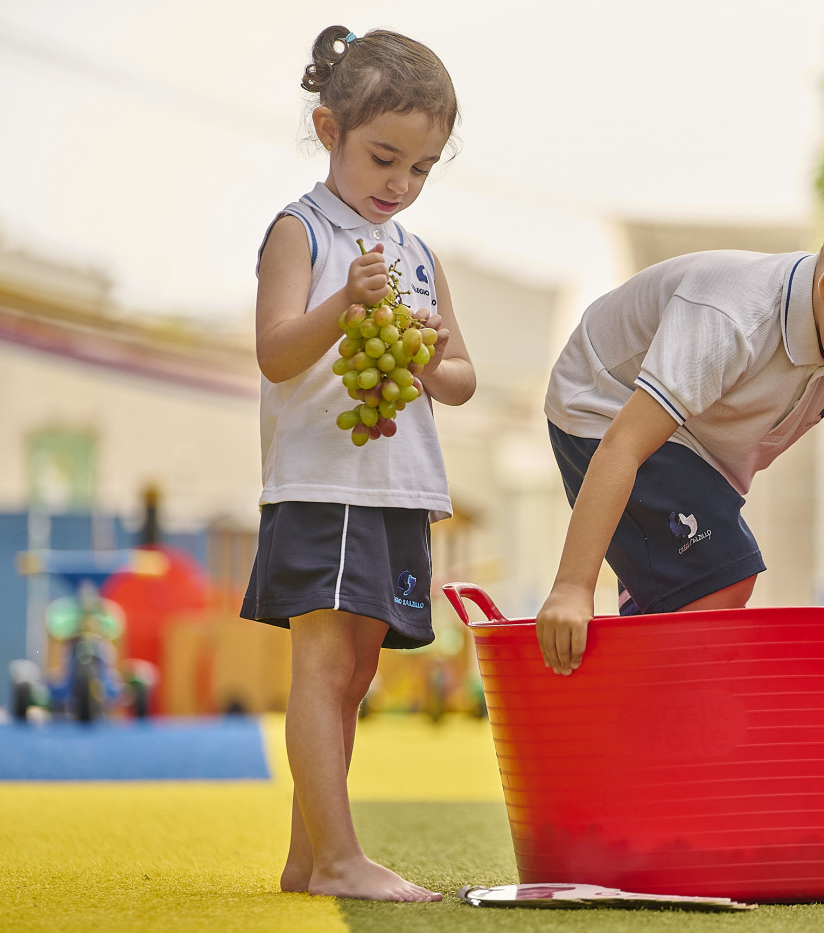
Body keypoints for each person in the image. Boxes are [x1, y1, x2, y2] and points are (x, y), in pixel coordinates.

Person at [537, 182, 824, 677]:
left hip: (692, 446)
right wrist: (572, 587)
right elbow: (624, 444)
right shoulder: (733, 319)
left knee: (703, 580)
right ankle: (654, 703)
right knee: (721, 576)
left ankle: (655, 694)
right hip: (602, 407)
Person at [240, 25, 473, 902]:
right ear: (329, 130)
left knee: (361, 672)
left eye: (421, 168)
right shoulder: (302, 231)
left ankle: (311, 858)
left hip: (397, 484)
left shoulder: (417, 255)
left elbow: (460, 378)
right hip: (324, 485)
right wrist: (346, 304)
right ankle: (338, 857)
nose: (400, 184)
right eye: (384, 158)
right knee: (325, 667)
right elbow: (275, 351)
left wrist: (423, 358)